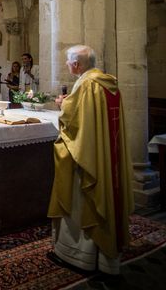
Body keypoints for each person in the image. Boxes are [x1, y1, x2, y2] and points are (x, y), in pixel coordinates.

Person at [47, 45, 133, 275]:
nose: (66, 65)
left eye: (67, 61)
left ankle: (79, 256)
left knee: (81, 200)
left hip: (88, 157)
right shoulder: (109, 83)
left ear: (77, 64)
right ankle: (106, 259)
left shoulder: (86, 84)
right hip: (104, 154)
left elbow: (73, 121)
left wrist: (61, 104)